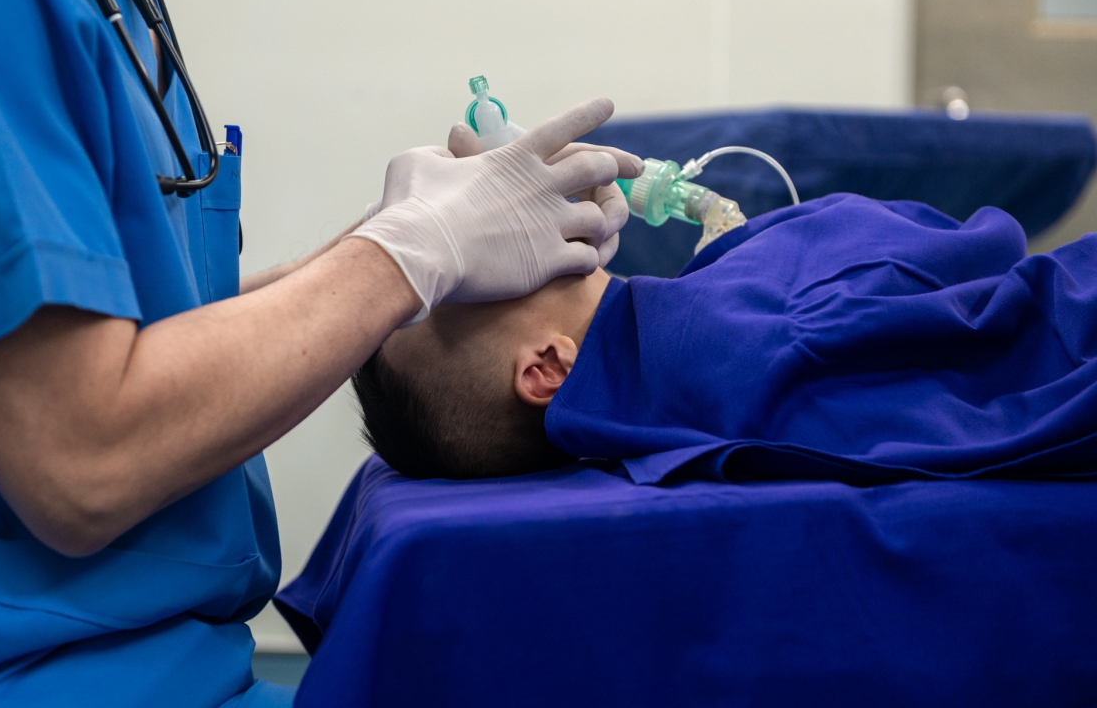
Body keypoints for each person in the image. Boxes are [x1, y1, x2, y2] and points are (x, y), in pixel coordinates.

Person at [0, 0, 643, 704]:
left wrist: (397, 235)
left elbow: (163, 327)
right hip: (34, 674)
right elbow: (79, 457)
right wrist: (410, 250)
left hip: (190, 660)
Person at [356, 193, 1097, 485]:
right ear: (546, 368)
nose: (480, 249)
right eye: (460, 285)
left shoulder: (663, 379)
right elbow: (977, 248)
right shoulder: (731, 343)